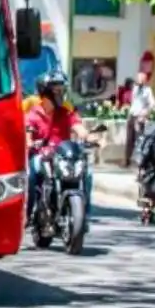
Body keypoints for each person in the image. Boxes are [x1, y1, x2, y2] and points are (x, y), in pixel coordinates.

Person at [25, 71, 101, 226]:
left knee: (87, 174)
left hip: (63, 157)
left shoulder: (66, 113)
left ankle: (84, 215)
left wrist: (89, 137)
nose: (61, 94)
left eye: (62, 90)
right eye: (57, 90)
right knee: (31, 175)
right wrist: (30, 142)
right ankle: (28, 213)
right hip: (42, 155)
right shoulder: (33, 114)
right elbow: (27, 135)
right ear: (45, 91)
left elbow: (79, 128)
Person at [125, 71, 155, 167]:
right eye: (138, 78)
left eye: (140, 78)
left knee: (139, 139)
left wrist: (144, 113)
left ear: (145, 80)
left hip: (139, 118)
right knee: (129, 139)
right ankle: (127, 160)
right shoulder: (134, 89)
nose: (138, 80)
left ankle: (140, 162)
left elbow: (153, 105)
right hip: (131, 116)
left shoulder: (147, 90)